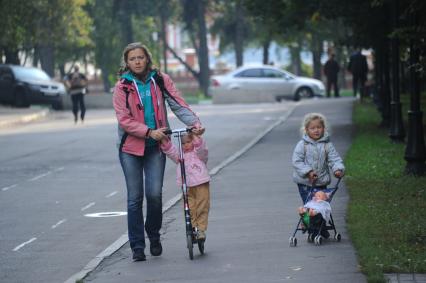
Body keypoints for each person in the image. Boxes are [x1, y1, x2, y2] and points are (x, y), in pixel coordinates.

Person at [113, 42, 205, 262]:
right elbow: (124, 119)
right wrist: (148, 132)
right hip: (130, 148)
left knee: (154, 195)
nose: (137, 61)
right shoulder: (122, 87)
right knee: (135, 198)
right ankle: (137, 247)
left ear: (147, 59)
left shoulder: (160, 79)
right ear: (127, 62)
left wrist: (195, 123)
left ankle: (153, 236)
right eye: (132, 58)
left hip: (157, 147)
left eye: (140, 57)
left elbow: (177, 103)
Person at [161, 132, 210, 242]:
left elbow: (202, 149)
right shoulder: (180, 155)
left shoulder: (198, 153)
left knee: (202, 205)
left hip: (201, 182)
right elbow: (171, 152)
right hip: (187, 185)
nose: (186, 145)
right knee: (190, 208)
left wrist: (195, 136)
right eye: (183, 143)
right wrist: (165, 141)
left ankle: (201, 229)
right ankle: (192, 227)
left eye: (188, 142)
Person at [292, 113, 345, 203]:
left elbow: (334, 159)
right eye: (312, 128)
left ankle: (320, 217)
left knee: (320, 205)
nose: (316, 130)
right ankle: (308, 217)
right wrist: (308, 172)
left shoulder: (327, 145)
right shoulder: (302, 145)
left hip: (321, 182)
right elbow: (297, 161)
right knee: (309, 206)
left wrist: (337, 169)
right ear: (306, 130)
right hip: (305, 183)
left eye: (319, 127)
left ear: (324, 129)